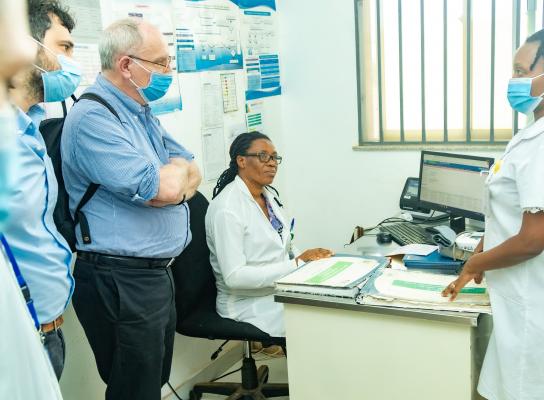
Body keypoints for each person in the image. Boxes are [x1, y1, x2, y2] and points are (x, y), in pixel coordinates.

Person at [442, 19, 544, 400]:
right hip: (533, 293)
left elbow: (532, 240)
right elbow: (516, 213)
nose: (511, 80)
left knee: (537, 389)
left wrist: (474, 265)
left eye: (520, 71)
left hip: (542, 298)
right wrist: (483, 247)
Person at [61, 18, 200, 400]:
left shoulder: (139, 110)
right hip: (120, 279)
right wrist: (174, 179)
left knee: (149, 382)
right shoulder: (93, 117)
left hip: (153, 276)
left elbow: (192, 168)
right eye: (160, 64)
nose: (168, 72)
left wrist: (176, 181)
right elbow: (163, 186)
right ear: (126, 65)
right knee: (133, 391)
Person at [5, 0, 79, 379]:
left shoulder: (31, 124)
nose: (71, 61)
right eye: (63, 47)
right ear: (26, 46)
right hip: (19, 335)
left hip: (47, 327)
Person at [206, 132, 333, 338]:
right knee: (317, 324)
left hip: (278, 289)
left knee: (332, 304)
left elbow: (287, 245)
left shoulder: (268, 196)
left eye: (274, 157)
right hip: (246, 304)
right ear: (241, 161)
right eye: (263, 156)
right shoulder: (227, 209)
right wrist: (296, 265)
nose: (272, 163)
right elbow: (234, 277)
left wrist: (310, 263)